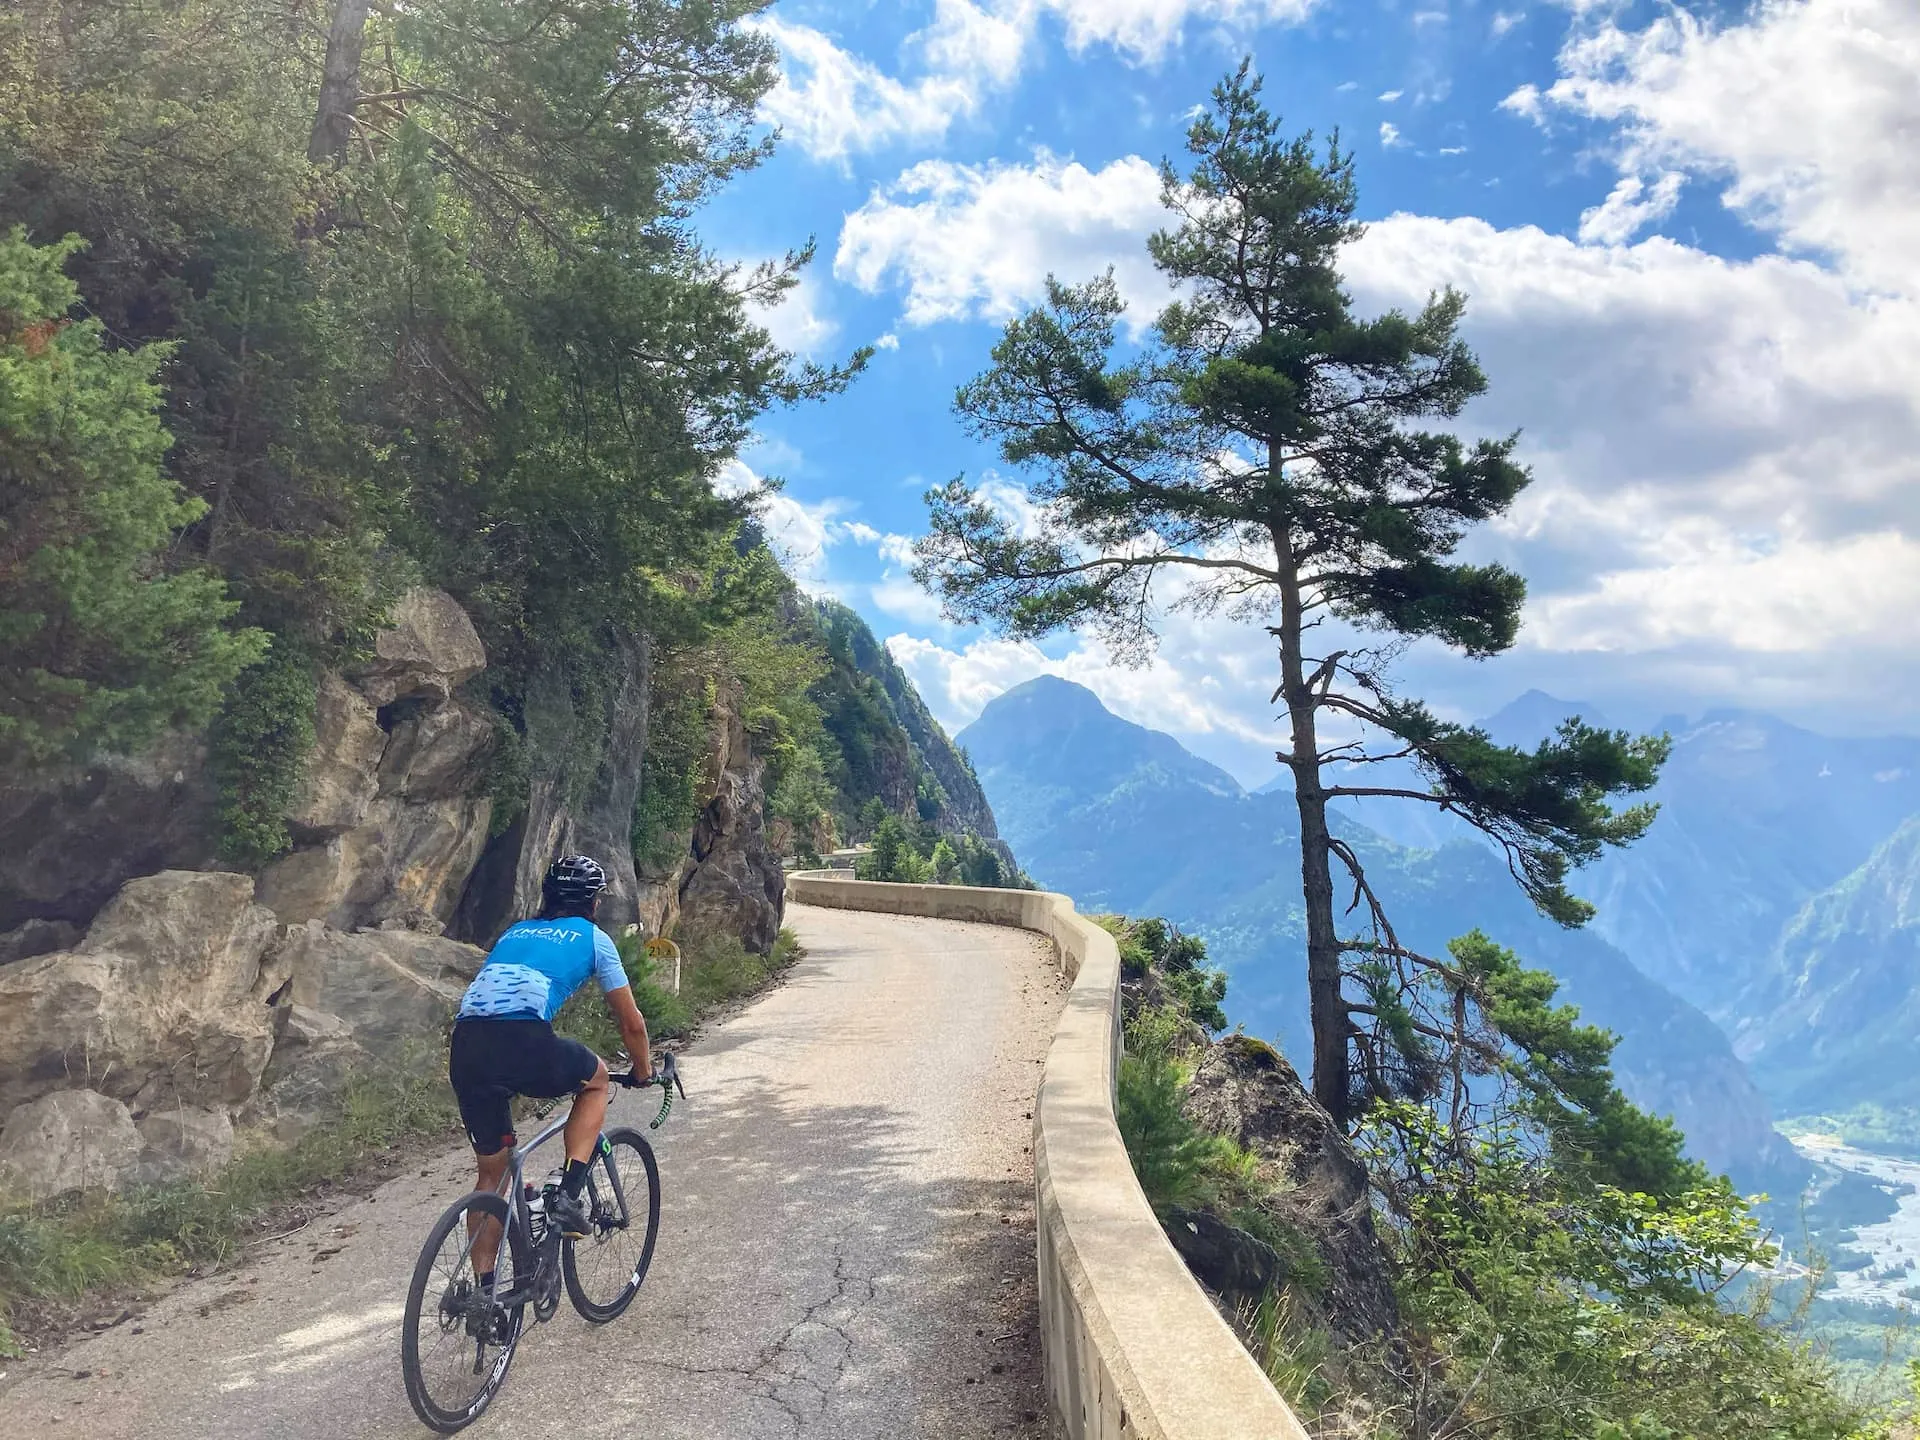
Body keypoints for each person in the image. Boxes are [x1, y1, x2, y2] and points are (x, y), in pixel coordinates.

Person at [449, 855, 651, 1272]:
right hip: (523, 1040)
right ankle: (569, 1194)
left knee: (492, 1177)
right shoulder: (594, 939)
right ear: (594, 903)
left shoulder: (514, 932)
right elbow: (632, 1024)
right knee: (594, 1081)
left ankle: (485, 1297)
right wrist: (642, 1070)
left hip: (466, 1047)